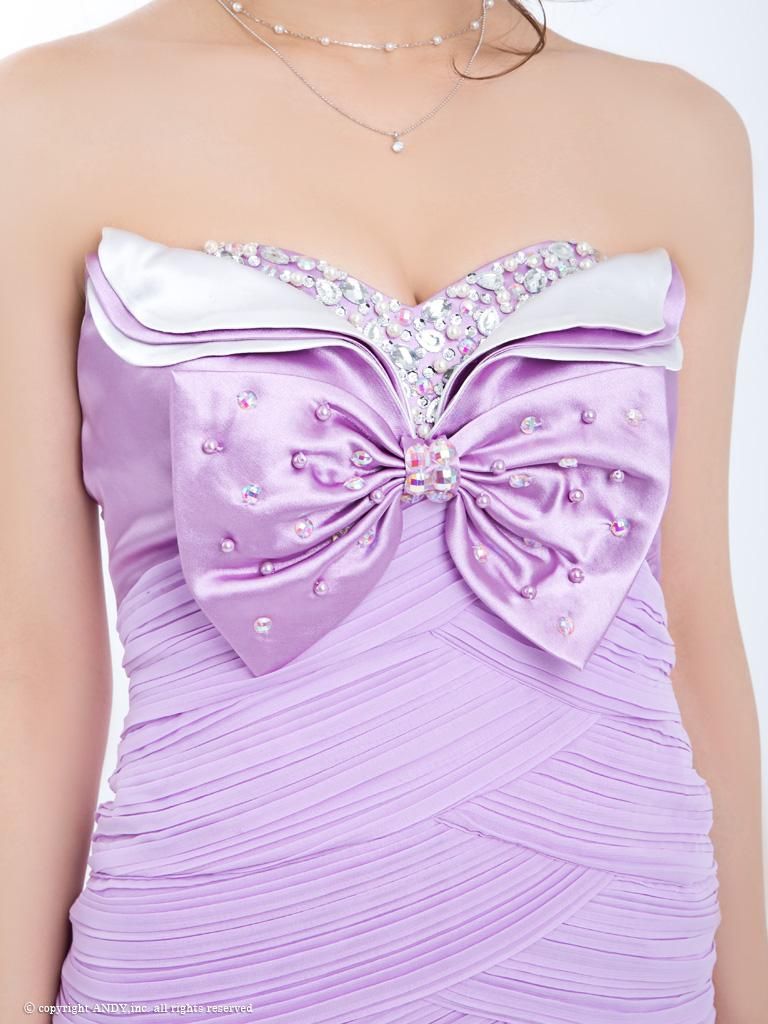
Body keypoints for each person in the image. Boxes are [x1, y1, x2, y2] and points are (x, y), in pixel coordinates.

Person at [1, 1, 766, 1021]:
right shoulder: (47, 122)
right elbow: (34, 672)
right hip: (209, 946)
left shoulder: (681, 137)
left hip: (616, 946)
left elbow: (698, 631)